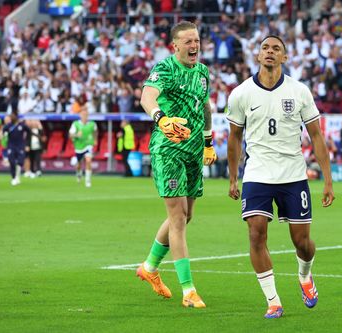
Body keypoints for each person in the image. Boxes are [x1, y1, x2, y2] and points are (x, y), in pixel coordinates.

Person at [227, 35, 335, 319]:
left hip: (293, 175)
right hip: (257, 173)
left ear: (285, 58)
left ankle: (305, 276)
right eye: (265, 48)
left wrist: (328, 179)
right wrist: (232, 178)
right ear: (258, 55)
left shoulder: (299, 91)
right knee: (256, 233)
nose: (270, 52)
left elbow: (316, 136)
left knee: (302, 242)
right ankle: (273, 300)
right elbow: (234, 138)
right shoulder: (241, 93)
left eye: (276, 49)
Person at [137, 21, 217, 309]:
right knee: (178, 218)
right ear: (175, 45)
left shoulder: (204, 72)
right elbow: (147, 97)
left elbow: (205, 107)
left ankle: (149, 267)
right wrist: (161, 118)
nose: (194, 45)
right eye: (187, 41)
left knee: (186, 215)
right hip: (168, 150)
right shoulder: (165, 68)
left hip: (194, 151)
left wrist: (208, 142)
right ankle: (188, 290)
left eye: (196, 40)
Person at [69, 108, 98, 187]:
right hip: (79, 146)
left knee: (88, 161)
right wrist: (76, 135)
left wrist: (95, 139)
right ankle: (78, 173)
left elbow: (95, 131)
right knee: (79, 164)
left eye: (86, 114)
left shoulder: (92, 124)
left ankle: (88, 180)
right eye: (83, 114)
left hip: (88, 145)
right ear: (80, 115)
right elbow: (70, 135)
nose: (85, 116)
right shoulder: (75, 124)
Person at [2, 112, 30, 186]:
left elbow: (29, 132)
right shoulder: (8, 126)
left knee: (20, 162)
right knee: (12, 161)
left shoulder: (22, 125)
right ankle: (13, 177)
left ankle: (17, 176)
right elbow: (3, 134)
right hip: (11, 146)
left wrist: (27, 144)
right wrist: (3, 137)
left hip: (20, 146)